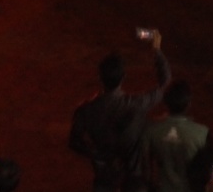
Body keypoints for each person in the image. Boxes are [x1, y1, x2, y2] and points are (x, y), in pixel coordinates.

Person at [69, 33, 171, 191]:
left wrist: (96, 154)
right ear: (123, 77)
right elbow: (164, 82)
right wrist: (157, 49)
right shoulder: (137, 104)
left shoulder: (86, 111)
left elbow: (74, 142)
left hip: (104, 175)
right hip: (131, 179)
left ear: (100, 77)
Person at [139, 80, 209, 192]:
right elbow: (211, 169)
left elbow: (146, 168)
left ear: (166, 103)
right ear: (188, 104)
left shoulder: (151, 130)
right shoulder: (203, 133)